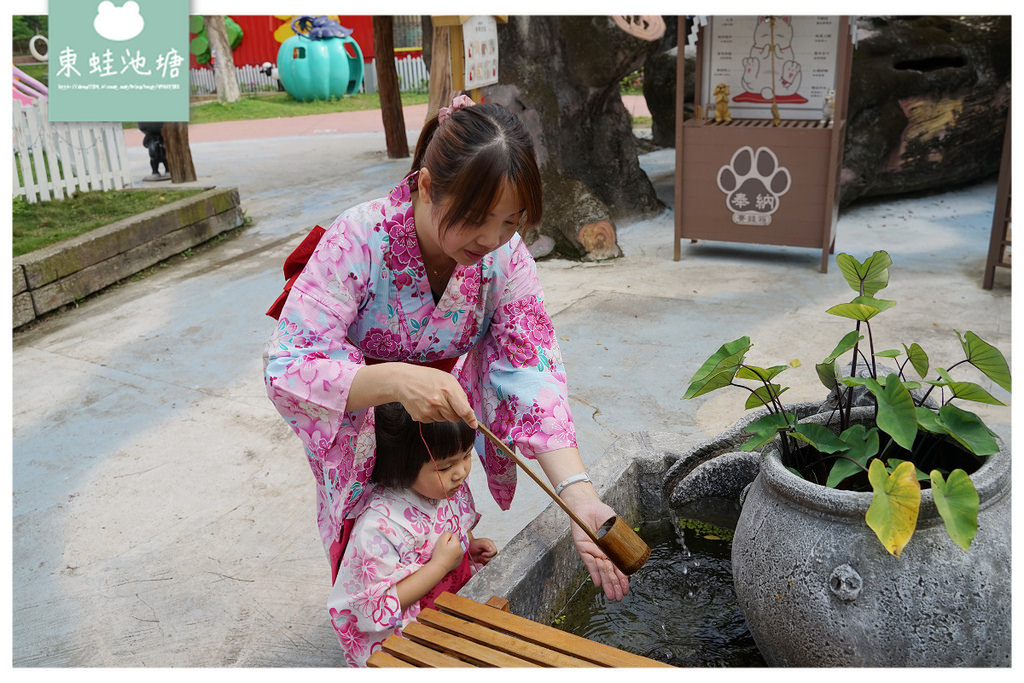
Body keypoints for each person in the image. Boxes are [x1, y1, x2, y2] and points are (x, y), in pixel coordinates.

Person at [263, 93, 631, 633]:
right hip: (361, 418)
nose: (491, 240)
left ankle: (435, 628)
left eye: (510, 222)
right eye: (477, 219)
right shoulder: (360, 238)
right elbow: (289, 364)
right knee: (374, 544)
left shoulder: (504, 257)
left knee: (439, 529)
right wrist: (392, 380)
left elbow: (529, 369)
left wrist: (579, 495)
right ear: (429, 186)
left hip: (438, 423)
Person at [329, 402, 496, 666]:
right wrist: (440, 565)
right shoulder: (378, 527)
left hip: (449, 608)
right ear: (401, 465)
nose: (460, 473)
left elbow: (451, 525)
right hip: (413, 634)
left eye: (466, 456)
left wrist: (468, 546)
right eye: (444, 467)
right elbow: (369, 606)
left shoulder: (442, 488)